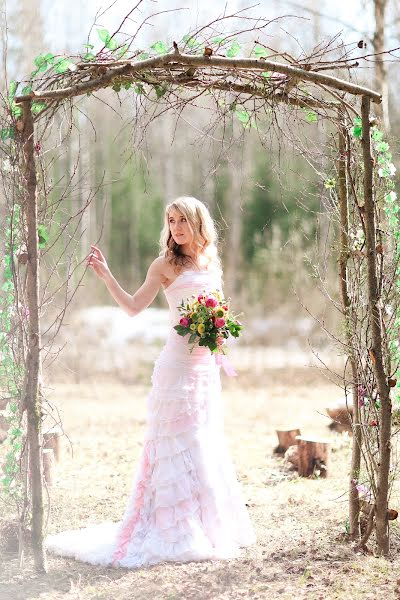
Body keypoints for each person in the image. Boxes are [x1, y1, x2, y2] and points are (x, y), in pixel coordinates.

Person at [45, 196, 256, 568]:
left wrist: (219, 333)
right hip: (175, 367)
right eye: (171, 220)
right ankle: (174, 529)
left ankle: (205, 525)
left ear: (198, 223)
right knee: (176, 445)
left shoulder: (210, 262)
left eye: (182, 221)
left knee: (203, 443)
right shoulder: (163, 265)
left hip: (205, 368)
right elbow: (131, 307)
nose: (176, 227)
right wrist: (108, 276)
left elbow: (218, 308)